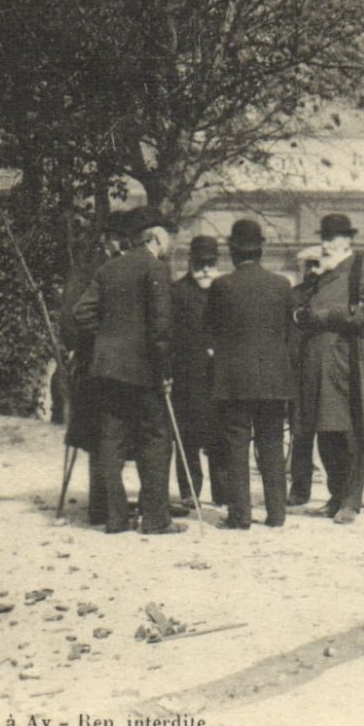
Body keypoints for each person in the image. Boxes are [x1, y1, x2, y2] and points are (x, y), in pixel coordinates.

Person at [70, 205, 184, 535]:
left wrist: (107, 337)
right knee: (156, 440)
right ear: (157, 237)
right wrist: (164, 371)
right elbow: (161, 329)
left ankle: (115, 518)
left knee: (111, 441)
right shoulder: (156, 269)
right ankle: (155, 519)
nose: (171, 244)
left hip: (106, 369)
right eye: (170, 238)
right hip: (145, 371)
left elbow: (81, 313)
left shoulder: (109, 268)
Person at [293, 213, 364, 525]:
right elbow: (299, 311)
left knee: (351, 435)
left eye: (333, 238)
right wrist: (312, 278)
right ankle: (335, 496)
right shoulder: (320, 276)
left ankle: (351, 500)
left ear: (348, 240)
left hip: (350, 366)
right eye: (324, 237)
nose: (326, 243)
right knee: (326, 433)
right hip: (319, 368)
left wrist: (326, 315)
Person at [207, 219, 295, 529]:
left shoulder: (221, 287)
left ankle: (240, 515)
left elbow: (211, 331)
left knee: (237, 447)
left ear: (232, 251)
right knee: (271, 446)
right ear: (262, 250)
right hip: (274, 380)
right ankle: (276, 514)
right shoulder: (282, 285)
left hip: (234, 382)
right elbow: (289, 332)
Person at [61, 209, 129, 526]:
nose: (119, 244)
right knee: (105, 434)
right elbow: (71, 324)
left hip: (99, 362)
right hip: (95, 363)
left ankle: (106, 505)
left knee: (106, 435)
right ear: (106, 240)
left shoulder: (91, 270)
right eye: (117, 238)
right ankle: (103, 506)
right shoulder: (92, 273)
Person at [170, 235, 225, 508]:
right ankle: (189, 491)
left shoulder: (226, 290)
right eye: (200, 263)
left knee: (219, 437)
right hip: (187, 377)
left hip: (220, 379)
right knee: (187, 438)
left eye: (211, 264)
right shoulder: (177, 292)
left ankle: (222, 493)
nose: (205, 269)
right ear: (190, 263)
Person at [286, 245, 323, 507]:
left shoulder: (334, 296)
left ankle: (339, 492)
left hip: (326, 373)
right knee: (300, 433)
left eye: (317, 264)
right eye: (308, 265)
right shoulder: (293, 296)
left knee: (334, 435)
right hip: (298, 374)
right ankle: (299, 490)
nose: (312, 270)